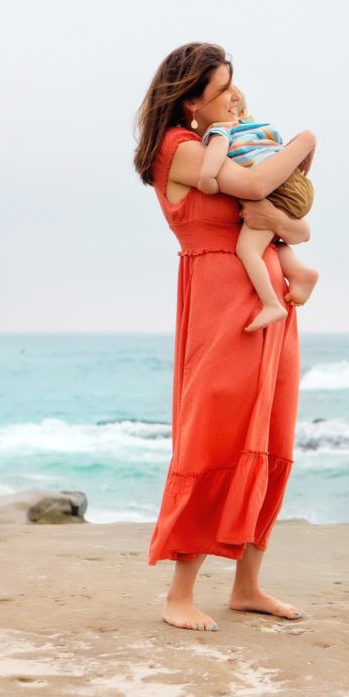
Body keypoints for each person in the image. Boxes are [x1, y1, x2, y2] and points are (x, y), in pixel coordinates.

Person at [134, 42, 312, 632]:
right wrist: (303, 147)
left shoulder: (219, 142)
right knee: (210, 435)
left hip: (272, 301)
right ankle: (180, 595)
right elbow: (261, 183)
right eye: (221, 90)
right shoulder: (178, 150)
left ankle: (247, 584)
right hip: (220, 301)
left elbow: (294, 225)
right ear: (189, 101)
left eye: (235, 83)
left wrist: (284, 222)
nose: (234, 98)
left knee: (270, 431)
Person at [196, 86, 319, 331]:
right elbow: (283, 150)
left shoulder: (220, 129)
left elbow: (217, 153)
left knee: (247, 250)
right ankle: (300, 272)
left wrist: (207, 179)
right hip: (297, 183)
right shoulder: (257, 126)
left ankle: (271, 304)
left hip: (276, 190)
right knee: (271, 241)